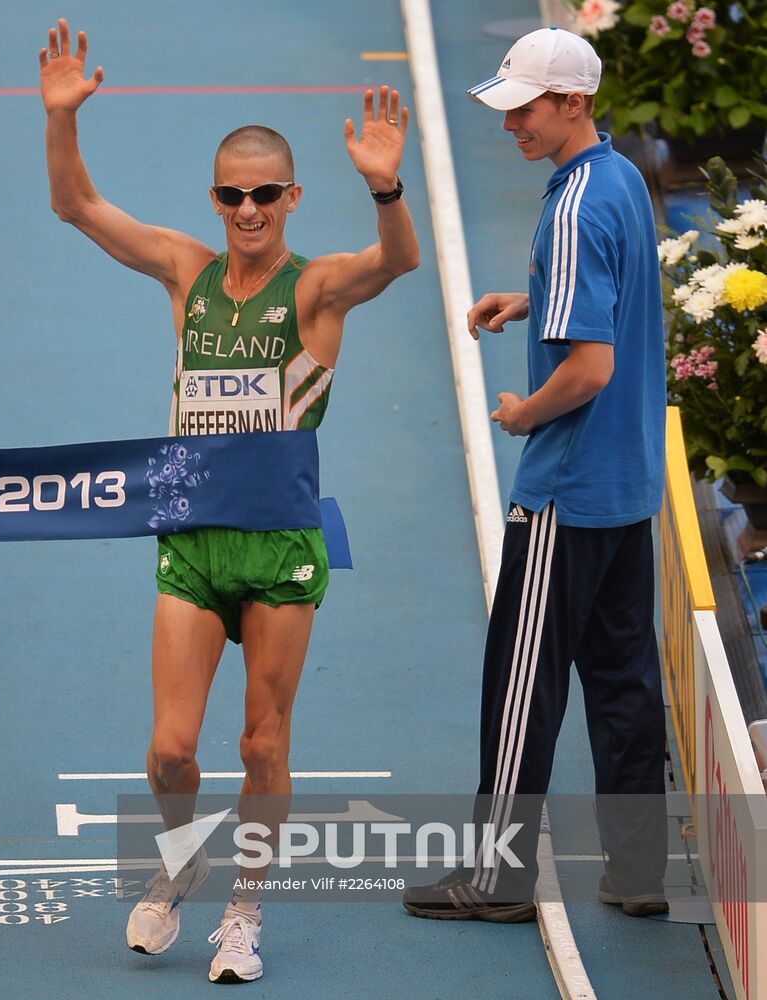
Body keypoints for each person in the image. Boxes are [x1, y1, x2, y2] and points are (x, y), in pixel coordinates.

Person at [39, 17, 419, 983]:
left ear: (290, 198)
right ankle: (180, 861)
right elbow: (76, 206)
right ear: (213, 199)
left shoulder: (316, 289)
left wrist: (384, 183)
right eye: (229, 195)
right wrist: (60, 119)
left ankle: (243, 912)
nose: (245, 210)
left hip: (281, 548)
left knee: (260, 742)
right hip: (194, 540)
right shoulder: (187, 271)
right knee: (169, 752)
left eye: (262, 196)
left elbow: (398, 262)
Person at [402, 26, 669, 923]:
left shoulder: (569, 208)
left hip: (567, 489)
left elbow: (587, 370)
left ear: (573, 102)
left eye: (525, 106)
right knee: (625, 684)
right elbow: (614, 293)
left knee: (521, 691)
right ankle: (636, 875)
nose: (509, 120)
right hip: (628, 488)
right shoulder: (621, 179)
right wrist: (533, 299)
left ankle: (496, 878)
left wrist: (521, 414)